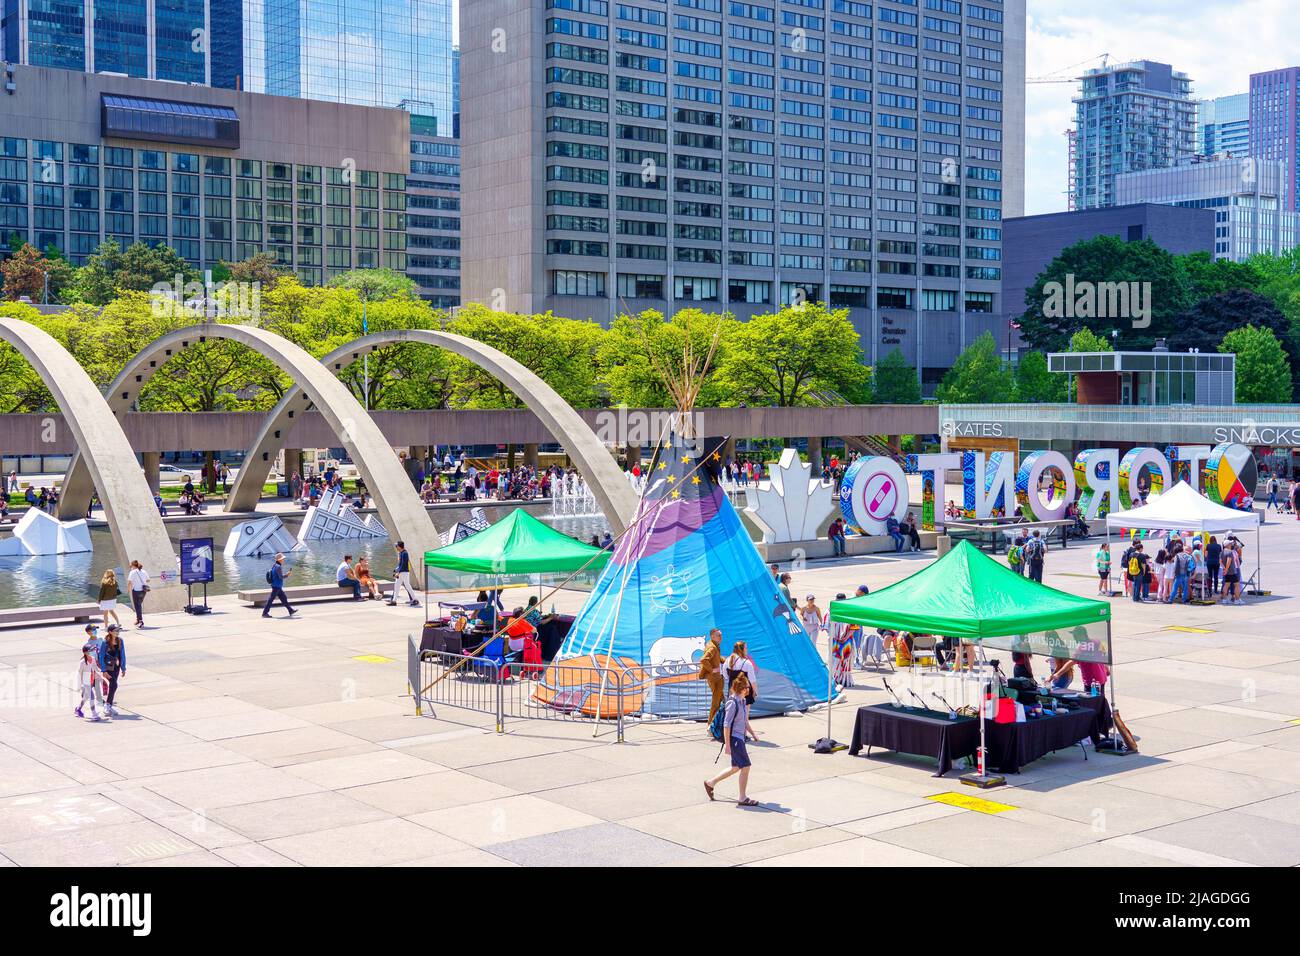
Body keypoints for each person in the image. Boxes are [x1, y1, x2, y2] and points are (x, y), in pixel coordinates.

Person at [704, 673, 758, 807]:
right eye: (748, 687)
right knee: (746, 766)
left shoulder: (742, 701)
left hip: (739, 738)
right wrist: (727, 745)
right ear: (743, 689)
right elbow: (726, 725)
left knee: (736, 767)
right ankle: (742, 797)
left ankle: (710, 783)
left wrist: (753, 734)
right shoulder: (732, 703)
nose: (749, 689)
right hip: (735, 739)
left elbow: (744, 721)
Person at [722, 641, 760, 740]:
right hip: (745, 692)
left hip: (733, 691)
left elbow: (725, 675)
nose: (747, 650)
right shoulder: (746, 662)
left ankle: (734, 734)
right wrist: (755, 691)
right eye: (746, 648)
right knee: (744, 716)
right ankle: (743, 735)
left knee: (733, 715)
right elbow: (752, 680)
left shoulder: (728, 661)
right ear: (742, 650)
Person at [698, 627, 725, 724]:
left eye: (721, 635)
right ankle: (711, 725)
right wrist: (712, 670)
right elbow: (703, 659)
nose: (721, 637)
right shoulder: (712, 647)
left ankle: (719, 723)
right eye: (718, 635)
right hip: (715, 678)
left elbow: (716, 657)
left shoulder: (714, 645)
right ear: (712, 636)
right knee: (716, 702)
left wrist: (725, 661)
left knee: (722, 700)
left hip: (717, 677)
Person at [99, 624, 126, 716]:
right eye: (115, 630)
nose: (118, 632)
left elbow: (122, 654)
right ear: (110, 632)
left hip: (116, 667)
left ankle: (109, 705)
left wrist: (123, 668)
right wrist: (103, 670)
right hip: (108, 668)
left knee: (112, 686)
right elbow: (101, 656)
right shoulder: (105, 642)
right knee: (114, 684)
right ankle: (107, 705)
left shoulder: (120, 641)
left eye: (118, 630)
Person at [75, 642, 105, 721]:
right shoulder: (82, 662)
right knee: (92, 697)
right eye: (90, 650)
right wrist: (79, 685)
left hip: (92, 679)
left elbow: (95, 668)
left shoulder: (93, 659)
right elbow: (79, 673)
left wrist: (101, 673)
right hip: (85, 681)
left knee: (85, 697)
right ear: (85, 652)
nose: (91, 652)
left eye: (92, 650)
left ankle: (78, 709)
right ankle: (94, 714)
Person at [262, 553, 298, 618]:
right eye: (282, 559)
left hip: (276, 585)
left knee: (284, 598)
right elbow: (281, 577)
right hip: (276, 586)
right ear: (280, 559)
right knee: (271, 599)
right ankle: (265, 613)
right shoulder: (278, 567)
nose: (283, 560)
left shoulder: (274, 565)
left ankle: (290, 610)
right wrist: (287, 574)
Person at [389, 541, 420, 606]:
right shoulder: (401, 553)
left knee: (407, 585)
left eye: (396, 546)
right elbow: (400, 564)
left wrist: (398, 572)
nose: (396, 547)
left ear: (399, 546)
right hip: (401, 572)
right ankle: (394, 601)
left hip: (404, 572)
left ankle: (415, 599)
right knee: (397, 586)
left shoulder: (405, 553)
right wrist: (396, 569)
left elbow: (404, 564)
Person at [126, 560, 149, 627]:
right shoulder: (144, 571)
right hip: (143, 591)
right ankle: (138, 619)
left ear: (133, 565)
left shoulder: (132, 572)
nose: (131, 567)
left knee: (137, 606)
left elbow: (129, 582)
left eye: (131, 566)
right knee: (139, 605)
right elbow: (148, 580)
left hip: (136, 591)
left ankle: (141, 621)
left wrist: (128, 590)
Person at [1221, 541, 1243, 605]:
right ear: (1227, 545)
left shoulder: (1222, 552)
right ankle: (1237, 600)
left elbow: (1220, 561)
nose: (1231, 544)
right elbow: (1229, 561)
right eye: (1230, 543)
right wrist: (1227, 569)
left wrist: (1224, 568)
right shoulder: (1230, 552)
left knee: (1226, 585)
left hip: (1227, 572)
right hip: (1232, 571)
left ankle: (1224, 599)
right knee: (1237, 585)